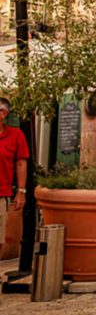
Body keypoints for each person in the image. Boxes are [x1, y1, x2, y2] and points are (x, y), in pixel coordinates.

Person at [0, 98, 29, 258]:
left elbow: (21, 163)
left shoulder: (15, 135)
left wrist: (21, 191)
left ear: (3, 114)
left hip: (1, 193)